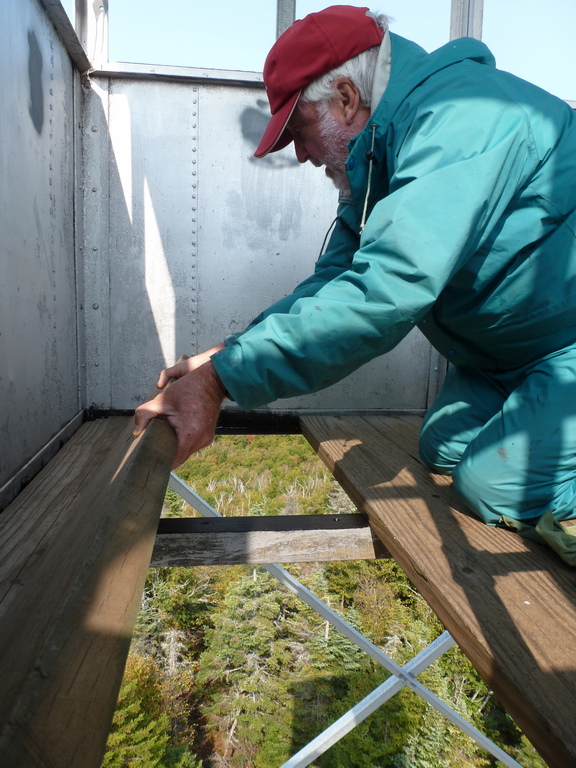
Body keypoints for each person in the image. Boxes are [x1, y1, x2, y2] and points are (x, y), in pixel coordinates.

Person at [134, 5, 576, 562]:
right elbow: (338, 277)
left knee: (493, 486)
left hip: (566, 344)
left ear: (346, 97)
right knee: (445, 447)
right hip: (506, 358)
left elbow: (388, 289)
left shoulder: (464, 118)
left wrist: (220, 383)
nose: (300, 153)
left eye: (299, 129)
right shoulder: (379, 153)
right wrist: (227, 355)